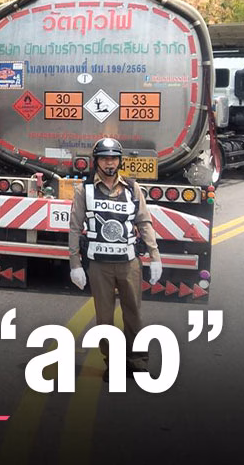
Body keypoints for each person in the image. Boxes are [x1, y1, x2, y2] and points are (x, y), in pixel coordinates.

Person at [68, 137, 163, 381]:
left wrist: (155, 257)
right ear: (96, 161)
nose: (109, 163)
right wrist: (75, 264)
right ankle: (113, 363)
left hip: (129, 264)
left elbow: (144, 222)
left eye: (113, 158)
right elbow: (75, 229)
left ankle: (137, 362)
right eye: (104, 158)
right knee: (104, 318)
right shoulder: (84, 191)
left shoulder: (132, 188)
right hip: (100, 266)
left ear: (119, 161)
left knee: (134, 313)